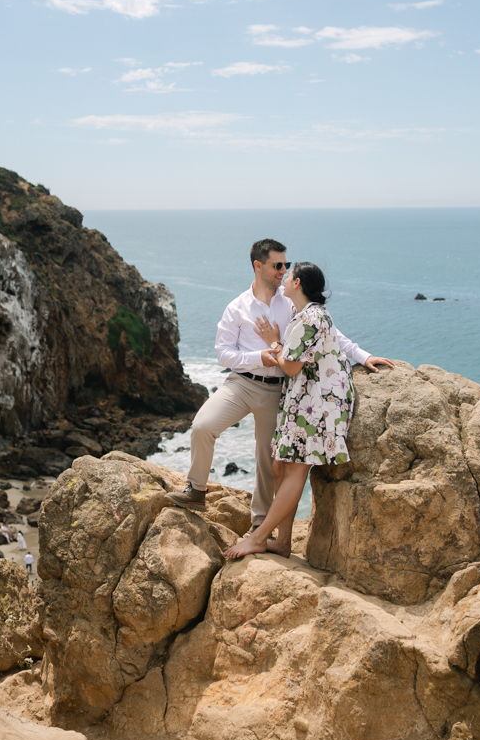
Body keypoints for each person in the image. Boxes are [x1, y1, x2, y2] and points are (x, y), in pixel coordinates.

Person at [166, 239, 394, 528]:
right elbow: (224, 354)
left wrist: (365, 355)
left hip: (280, 391)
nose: (283, 270)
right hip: (241, 384)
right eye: (277, 265)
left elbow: (331, 334)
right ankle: (196, 489)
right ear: (258, 266)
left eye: (286, 265)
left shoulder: (292, 302)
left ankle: (259, 524)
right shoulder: (237, 307)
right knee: (202, 426)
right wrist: (259, 356)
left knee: (267, 462)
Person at [224, 261, 356, 559]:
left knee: (294, 469)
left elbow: (290, 366)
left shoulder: (311, 318)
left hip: (316, 406)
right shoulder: (304, 314)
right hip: (302, 400)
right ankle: (283, 542)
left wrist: (274, 341)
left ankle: (258, 538)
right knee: (280, 466)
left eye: (289, 275)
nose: (283, 278)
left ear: (298, 283)